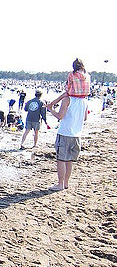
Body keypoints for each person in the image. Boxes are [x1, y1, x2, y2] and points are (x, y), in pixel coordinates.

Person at [46, 58, 89, 191]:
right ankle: (66, 183)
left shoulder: (67, 99)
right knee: (69, 160)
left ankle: (59, 184)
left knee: (61, 160)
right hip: (77, 134)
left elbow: (60, 116)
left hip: (65, 133)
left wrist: (50, 109)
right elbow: (85, 118)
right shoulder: (84, 101)